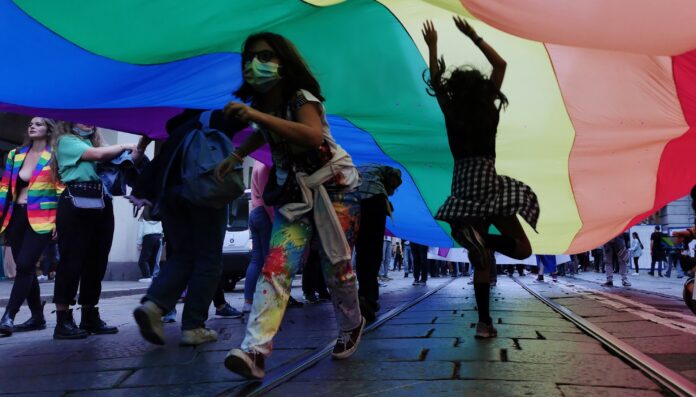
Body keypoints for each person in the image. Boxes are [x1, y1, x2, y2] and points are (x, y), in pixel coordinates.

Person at [215, 32, 365, 379]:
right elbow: (266, 132)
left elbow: (311, 135)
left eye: (266, 55)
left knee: (337, 266)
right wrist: (236, 154)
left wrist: (256, 116)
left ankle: (352, 324)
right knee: (276, 267)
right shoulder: (266, 107)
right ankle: (255, 351)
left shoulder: (301, 97)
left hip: (336, 188)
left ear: (284, 61)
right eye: (251, 57)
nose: (257, 63)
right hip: (295, 195)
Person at [422, 18, 539, 339]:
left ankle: (484, 323)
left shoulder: (452, 111)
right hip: (490, 185)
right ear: (482, 89)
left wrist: (433, 47)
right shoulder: (488, 107)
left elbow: (434, 78)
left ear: (455, 91)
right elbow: (500, 63)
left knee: (482, 260)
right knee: (522, 248)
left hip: (463, 188)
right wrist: (473, 35)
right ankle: (483, 244)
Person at [129, 107, 247, 346]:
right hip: (203, 191)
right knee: (209, 258)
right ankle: (193, 326)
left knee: (182, 254)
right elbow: (255, 121)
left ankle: (153, 305)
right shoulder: (215, 117)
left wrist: (143, 190)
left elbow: (160, 163)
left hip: (171, 198)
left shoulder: (178, 129)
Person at [52, 122, 145, 339]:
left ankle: (89, 315)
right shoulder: (67, 141)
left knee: (97, 262)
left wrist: (142, 143)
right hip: (75, 200)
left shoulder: (101, 145)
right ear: (70, 123)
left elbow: (129, 161)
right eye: (82, 119)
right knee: (71, 261)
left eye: (91, 119)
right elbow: (96, 154)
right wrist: (125, 146)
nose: (88, 123)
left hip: (101, 201)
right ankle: (62, 321)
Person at [0, 117, 61, 336]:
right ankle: (37, 317)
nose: (32, 126)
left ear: (49, 129)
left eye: (39, 124)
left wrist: (57, 221)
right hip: (15, 216)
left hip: (43, 217)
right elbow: (5, 186)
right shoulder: (16, 155)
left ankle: (8, 316)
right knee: (25, 268)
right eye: (31, 124)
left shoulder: (55, 156)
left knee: (25, 265)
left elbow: (60, 189)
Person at [351, 164, 402, 322]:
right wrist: (384, 198)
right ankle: (369, 299)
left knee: (361, 251)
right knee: (373, 252)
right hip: (374, 202)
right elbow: (389, 187)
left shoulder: (360, 169)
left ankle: (363, 295)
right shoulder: (387, 176)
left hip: (354, 201)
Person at [243, 161, 273, 313]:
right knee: (270, 259)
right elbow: (267, 199)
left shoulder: (255, 163)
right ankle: (269, 298)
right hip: (264, 214)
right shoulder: (264, 166)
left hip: (255, 212)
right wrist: (273, 219)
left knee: (257, 259)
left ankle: (248, 301)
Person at [135, 208, 163, 282]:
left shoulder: (143, 216)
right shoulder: (159, 215)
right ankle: (150, 275)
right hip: (158, 237)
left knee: (143, 260)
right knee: (153, 258)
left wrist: (139, 242)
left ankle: (146, 276)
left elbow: (140, 231)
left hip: (148, 237)